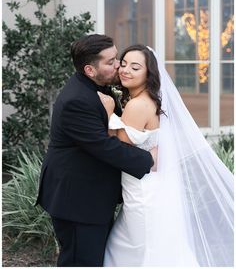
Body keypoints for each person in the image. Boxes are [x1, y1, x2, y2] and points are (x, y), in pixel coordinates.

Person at [98, 44, 234, 267]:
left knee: (135, 248)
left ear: (148, 73)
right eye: (123, 64)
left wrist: (109, 114)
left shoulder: (137, 105)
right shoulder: (151, 100)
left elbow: (118, 151)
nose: (125, 70)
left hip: (142, 190)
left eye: (135, 67)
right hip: (154, 185)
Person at [35, 34, 157, 267]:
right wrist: (147, 159)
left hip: (93, 196)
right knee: (82, 262)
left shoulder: (99, 87)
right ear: (90, 70)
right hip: (78, 201)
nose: (119, 66)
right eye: (111, 62)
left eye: (117, 58)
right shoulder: (77, 101)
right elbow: (104, 146)